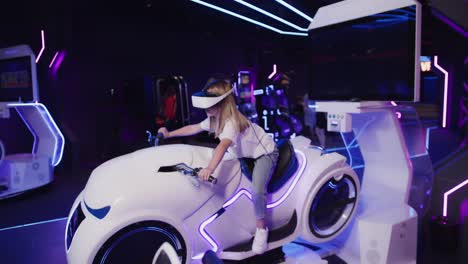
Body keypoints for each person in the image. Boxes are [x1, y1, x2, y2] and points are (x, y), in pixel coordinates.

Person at [158, 78, 279, 254]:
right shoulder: (214, 118)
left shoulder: (231, 122)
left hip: (264, 153)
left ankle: (261, 229)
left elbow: (223, 146)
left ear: (222, 103)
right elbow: (193, 128)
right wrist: (169, 134)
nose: (206, 109)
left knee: (257, 190)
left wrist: (209, 169)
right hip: (242, 152)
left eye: (210, 104)